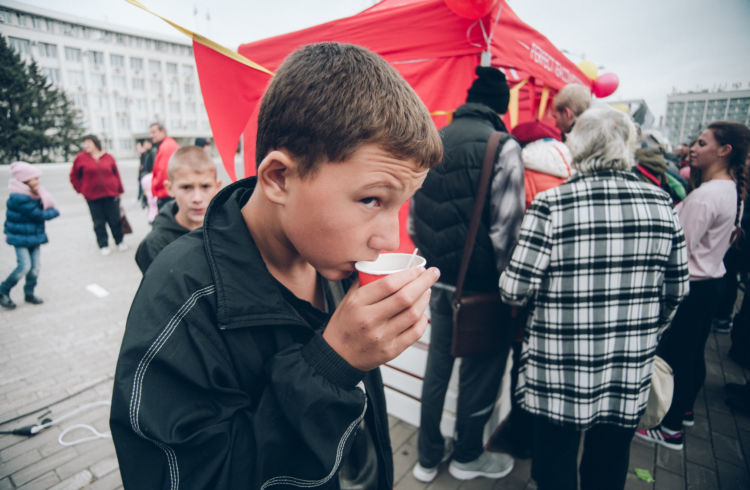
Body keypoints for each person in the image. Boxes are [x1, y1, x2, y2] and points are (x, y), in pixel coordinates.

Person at [109, 42, 443, 489]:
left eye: (401, 205)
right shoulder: (183, 295)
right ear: (279, 178)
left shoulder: (334, 264)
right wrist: (332, 365)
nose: (389, 239)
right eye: (371, 199)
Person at [499, 106, 690, 490]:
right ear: (627, 147)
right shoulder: (662, 205)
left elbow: (513, 288)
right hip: (627, 363)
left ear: (576, 146)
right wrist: (645, 331)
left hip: (559, 365)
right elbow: (677, 289)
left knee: (555, 459)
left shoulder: (554, 205)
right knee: (609, 460)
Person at [409, 65, 523, 483]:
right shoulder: (502, 146)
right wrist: (510, 290)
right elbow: (506, 230)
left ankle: (424, 459)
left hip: (436, 279)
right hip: (481, 288)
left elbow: (413, 218)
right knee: (480, 373)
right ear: (499, 109)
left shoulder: (433, 139)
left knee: (437, 371)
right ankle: (467, 456)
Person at [637, 121, 750, 450]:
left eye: (702, 143)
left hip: (691, 286)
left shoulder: (707, 196)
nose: (693, 149)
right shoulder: (727, 189)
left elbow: (677, 248)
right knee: (691, 354)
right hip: (707, 283)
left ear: (724, 151)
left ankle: (669, 426)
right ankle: (681, 413)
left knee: (675, 358)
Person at [135, 146, 222, 273]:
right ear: (170, 188)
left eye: (205, 186)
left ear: (217, 187)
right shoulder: (156, 244)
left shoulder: (227, 230)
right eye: (186, 187)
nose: (197, 198)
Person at [1, 162, 60, 309]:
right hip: (20, 238)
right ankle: (3, 290)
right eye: (34, 179)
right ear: (24, 181)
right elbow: (39, 215)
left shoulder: (34, 194)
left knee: (35, 268)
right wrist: (53, 212)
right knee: (24, 267)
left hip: (33, 236)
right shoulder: (19, 198)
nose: (37, 182)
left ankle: (29, 293)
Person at [70, 134, 127, 255]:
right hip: (93, 197)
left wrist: (119, 190)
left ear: (96, 143)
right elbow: (73, 176)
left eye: (89, 142)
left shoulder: (108, 157)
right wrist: (81, 189)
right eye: (85, 143)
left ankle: (119, 241)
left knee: (115, 219)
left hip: (111, 194)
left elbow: (116, 174)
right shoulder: (80, 158)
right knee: (98, 222)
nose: (87, 145)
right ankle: (103, 244)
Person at [149, 122, 179, 210]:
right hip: (169, 192)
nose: (151, 135)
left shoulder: (166, 146)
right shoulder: (167, 144)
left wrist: (153, 186)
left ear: (162, 131)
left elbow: (163, 173)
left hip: (166, 194)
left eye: (154, 132)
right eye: (150, 133)